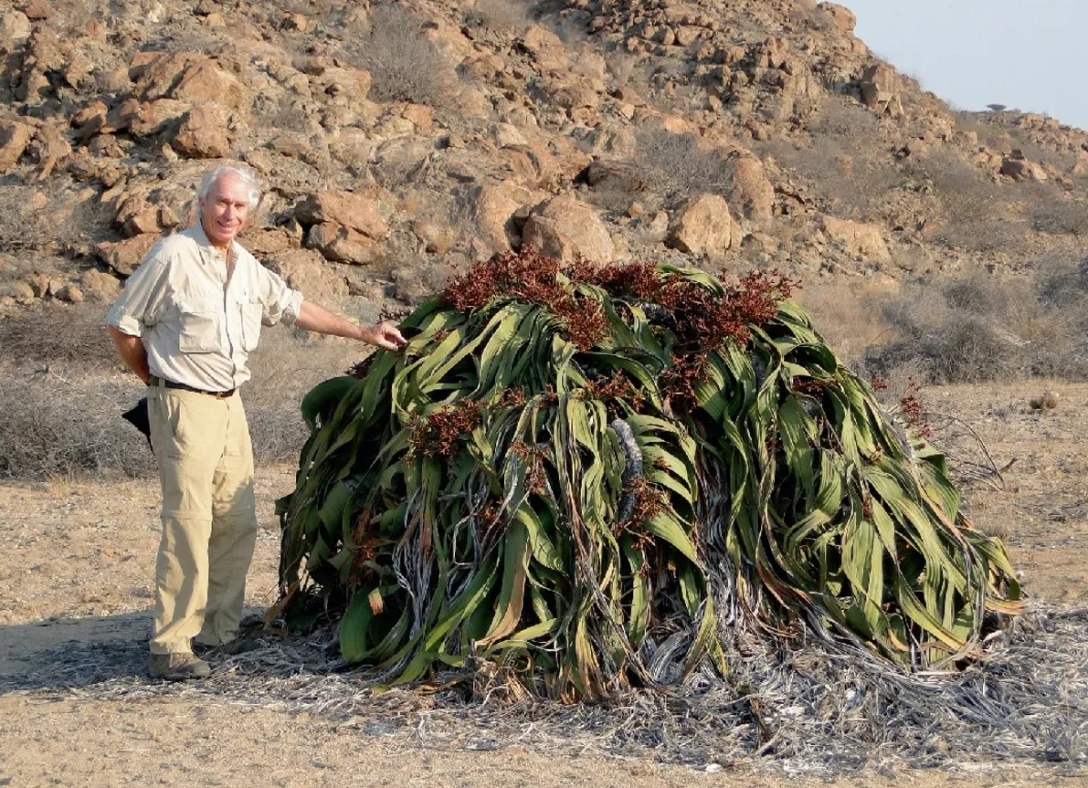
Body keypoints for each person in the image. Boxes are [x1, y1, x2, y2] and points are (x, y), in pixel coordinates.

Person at [105, 164, 406, 681]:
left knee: (237, 520)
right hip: (184, 404)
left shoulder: (244, 265)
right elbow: (122, 324)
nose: (230, 214)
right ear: (200, 205)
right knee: (188, 524)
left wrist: (361, 331)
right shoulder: (173, 256)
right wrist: (156, 381)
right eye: (221, 203)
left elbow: (291, 306)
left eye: (240, 206)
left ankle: (218, 632)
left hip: (229, 405)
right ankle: (171, 645)